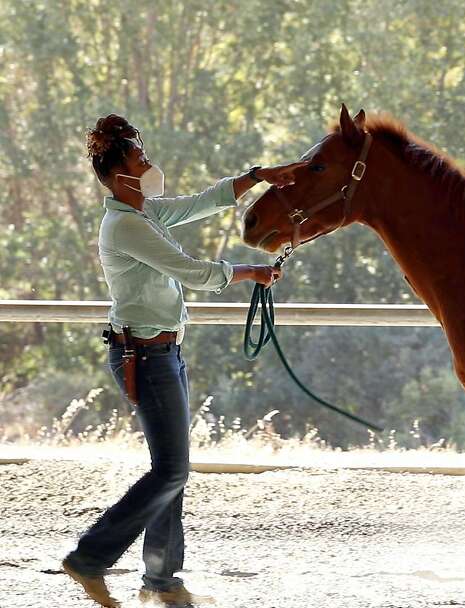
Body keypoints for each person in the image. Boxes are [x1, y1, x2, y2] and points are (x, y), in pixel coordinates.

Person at [62, 114, 306, 608]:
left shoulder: (146, 213)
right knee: (171, 471)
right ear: (118, 174)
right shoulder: (125, 226)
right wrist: (249, 272)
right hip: (145, 356)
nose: (149, 164)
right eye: (140, 159)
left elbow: (205, 201)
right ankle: (91, 558)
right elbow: (193, 273)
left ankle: (161, 581)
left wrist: (259, 176)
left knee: (169, 470)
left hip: (164, 352)